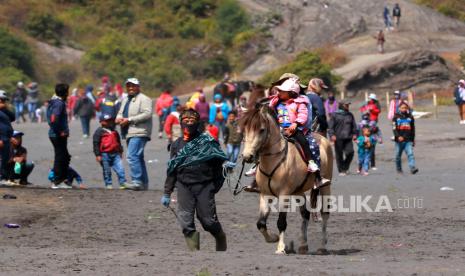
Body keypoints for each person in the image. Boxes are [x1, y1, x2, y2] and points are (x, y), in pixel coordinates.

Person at [161, 109, 228, 251]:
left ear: (197, 123)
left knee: (208, 221)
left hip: (205, 185)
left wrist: (215, 185)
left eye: (192, 121)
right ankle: (195, 254)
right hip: (184, 185)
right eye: (186, 121)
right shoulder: (176, 145)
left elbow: (219, 166)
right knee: (185, 222)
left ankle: (220, 237)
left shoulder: (207, 142)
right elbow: (172, 169)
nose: (189, 123)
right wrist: (167, 192)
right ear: (181, 123)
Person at [269, 78, 323, 176]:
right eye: (279, 90)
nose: (279, 92)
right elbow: (270, 112)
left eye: (282, 91)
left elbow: (303, 114)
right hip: (278, 129)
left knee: (303, 141)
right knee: (263, 141)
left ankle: (310, 161)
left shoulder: (300, 102)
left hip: (294, 129)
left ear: (291, 93)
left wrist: (296, 123)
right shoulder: (275, 102)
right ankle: (256, 166)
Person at [116, 78, 153, 191]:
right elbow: (120, 113)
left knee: (132, 156)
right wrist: (118, 119)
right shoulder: (126, 99)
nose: (131, 88)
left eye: (133, 86)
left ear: (138, 87)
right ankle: (144, 183)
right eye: (129, 86)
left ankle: (137, 181)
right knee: (138, 157)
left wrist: (130, 119)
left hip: (139, 131)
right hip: (129, 132)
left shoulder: (144, 99)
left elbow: (147, 114)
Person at [47, 83, 72, 189]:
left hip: (55, 134)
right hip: (57, 135)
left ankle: (62, 179)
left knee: (65, 156)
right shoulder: (59, 104)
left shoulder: (55, 102)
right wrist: (60, 131)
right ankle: (57, 181)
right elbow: (53, 119)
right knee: (60, 157)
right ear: (65, 93)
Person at [93, 114, 127, 189]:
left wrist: (121, 151)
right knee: (106, 170)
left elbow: (118, 142)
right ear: (101, 122)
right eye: (107, 121)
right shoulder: (99, 132)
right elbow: (96, 144)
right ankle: (108, 184)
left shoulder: (114, 131)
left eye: (110, 121)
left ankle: (122, 183)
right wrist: (98, 155)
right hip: (104, 154)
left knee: (120, 169)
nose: (109, 122)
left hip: (115, 154)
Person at [328, 99, 358, 176]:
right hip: (338, 138)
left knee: (350, 152)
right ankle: (341, 170)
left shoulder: (350, 115)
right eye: (346, 104)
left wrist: (355, 134)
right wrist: (332, 135)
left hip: (348, 137)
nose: (348, 106)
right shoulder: (334, 115)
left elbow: (354, 126)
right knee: (339, 155)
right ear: (341, 105)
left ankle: (345, 166)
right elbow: (330, 127)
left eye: (348, 105)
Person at [393, 102, 419, 174]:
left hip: (408, 139)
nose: (404, 109)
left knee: (410, 154)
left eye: (405, 108)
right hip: (399, 140)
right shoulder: (396, 117)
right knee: (398, 155)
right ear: (399, 108)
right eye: (402, 108)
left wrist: (413, 139)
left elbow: (413, 129)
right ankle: (399, 169)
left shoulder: (410, 117)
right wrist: (398, 136)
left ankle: (412, 167)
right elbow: (394, 129)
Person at [0, 90, 15, 183]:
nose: (4, 102)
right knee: (2, 159)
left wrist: (4, 108)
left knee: (5, 158)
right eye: (2, 100)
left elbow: (13, 117)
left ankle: (3, 177)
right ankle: (1, 177)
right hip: (1, 138)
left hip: (6, 137)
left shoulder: (3, 110)